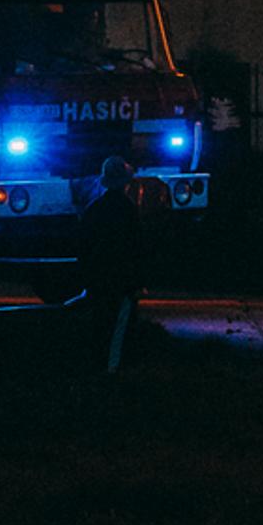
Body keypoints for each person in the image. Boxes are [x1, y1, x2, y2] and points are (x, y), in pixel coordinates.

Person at [78, 155, 145, 373]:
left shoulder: (93, 209)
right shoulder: (129, 210)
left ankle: (94, 367)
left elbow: (84, 246)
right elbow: (136, 247)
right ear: (126, 182)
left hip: (97, 280)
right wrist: (137, 282)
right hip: (122, 281)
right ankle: (112, 371)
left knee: (98, 324)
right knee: (120, 328)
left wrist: (87, 278)